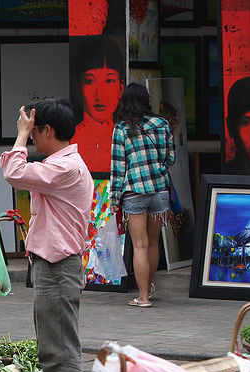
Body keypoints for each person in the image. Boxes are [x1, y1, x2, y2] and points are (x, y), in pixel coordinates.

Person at [0, 98, 93, 372]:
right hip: (53, 264)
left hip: (58, 266)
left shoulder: (65, 167)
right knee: (52, 342)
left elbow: (14, 173)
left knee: (60, 344)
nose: (31, 136)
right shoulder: (62, 163)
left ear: (46, 130)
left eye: (34, 130)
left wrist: (20, 137)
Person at [110, 83, 175, 308]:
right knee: (154, 243)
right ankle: (149, 287)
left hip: (134, 190)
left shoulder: (121, 129)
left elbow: (118, 168)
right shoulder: (162, 124)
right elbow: (170, 159)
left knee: (140, 245)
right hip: (159, 189)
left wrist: (113, 199)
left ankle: (143, 296)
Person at [70, 36, 125, 172]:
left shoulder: (126, 137)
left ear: (121, 88)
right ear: (78, 87)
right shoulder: (70, 140)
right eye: (89, 81)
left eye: (109, 81)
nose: (99, 95)